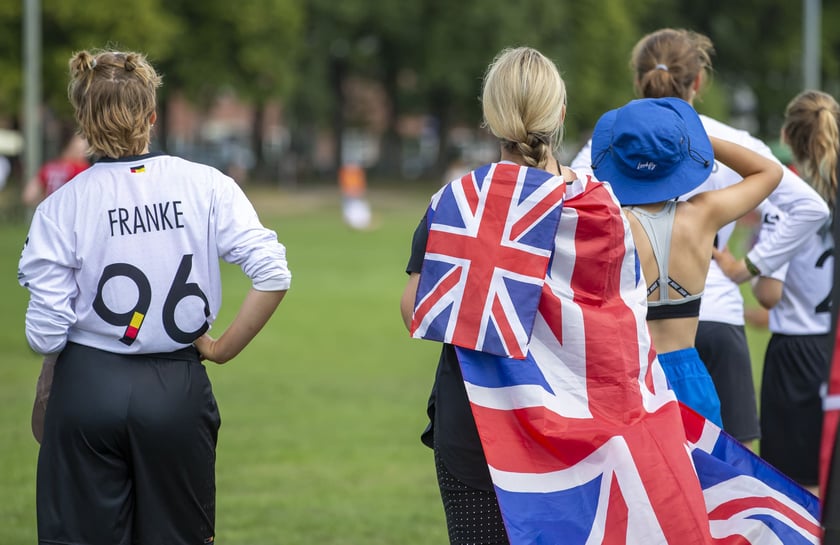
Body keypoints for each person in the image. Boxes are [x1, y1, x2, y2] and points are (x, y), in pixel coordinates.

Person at [401, 47, 715, 545]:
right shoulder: (603, 206)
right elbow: (620, 328)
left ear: (490, 118)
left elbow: (417, 310)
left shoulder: (458, 202)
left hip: (478, 429)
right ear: (561, 113)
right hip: (578, 438)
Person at [18, 49, 291, 545]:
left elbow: (46, 333)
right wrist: (223, 347)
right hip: (177, 385)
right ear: (151, 115)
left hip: (87, 386)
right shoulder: (207, 184)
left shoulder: (60, 206)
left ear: (83, 120)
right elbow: (272, 273)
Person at [571, 28, 830, 446]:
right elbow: (797, 197)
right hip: (714, 322)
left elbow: (571, 192)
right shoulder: (704, 212)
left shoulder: (615, 210)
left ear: (638, 81)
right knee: (726, 478)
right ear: (698, 81)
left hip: (637, 352)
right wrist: (750, 266)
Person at [590, 97, 782, 426]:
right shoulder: (702, 216)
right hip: (691, 375)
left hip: (632, 378)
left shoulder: (608, 220)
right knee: (699, 477)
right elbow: (769, 171)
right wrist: (698, 141)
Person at [717, 90, 838, 495]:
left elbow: (769, 293)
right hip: (833, 348)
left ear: (786, 136)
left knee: (796, 490)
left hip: (797, 356)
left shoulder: (787, 201)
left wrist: (746, 266)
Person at [21, 133, 90, 207]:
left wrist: (48, 203)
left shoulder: (48, 168)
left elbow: (28, 197)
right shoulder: (81, 169)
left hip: (50, 214)